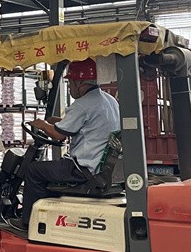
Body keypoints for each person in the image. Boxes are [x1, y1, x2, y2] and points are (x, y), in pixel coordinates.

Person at [19, 59, 121, 227]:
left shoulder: (82, 105)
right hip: (99, 166)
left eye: (70, 83)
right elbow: (84, 125)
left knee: (34, 170)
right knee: (48, 169)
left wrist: (42, 124)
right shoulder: (108, 100)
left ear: (79, 83)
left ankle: (29, 222)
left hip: (82, 169)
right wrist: (56, 122)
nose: (69, 88)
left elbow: (58, 135)